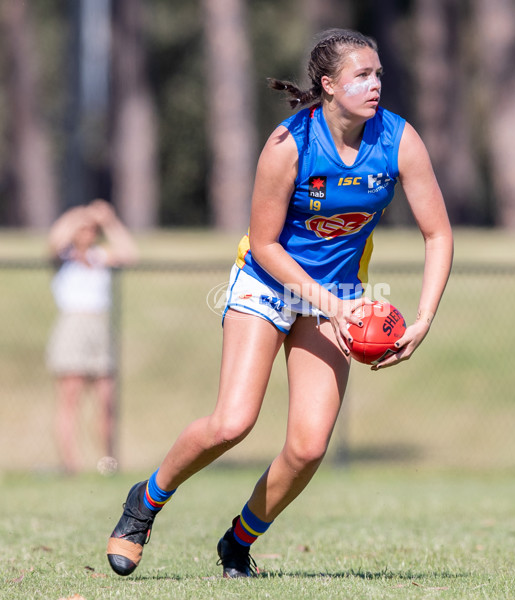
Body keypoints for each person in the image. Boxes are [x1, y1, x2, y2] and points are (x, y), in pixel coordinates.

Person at [106, 28, 453, 578]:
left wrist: (425, 318)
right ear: (328, 84)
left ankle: (237, 543)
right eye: (362, 75)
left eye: (379, 73)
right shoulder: (288, 144)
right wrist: (333, 307)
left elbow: (437, 234)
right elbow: (265, 245)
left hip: (337, 294)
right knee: (232, 423)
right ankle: (143, 505)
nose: (375, 84)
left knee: (309, 446)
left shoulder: (399, 140)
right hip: (267, 281)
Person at [46, 199, 138, 474]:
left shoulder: (100, 256)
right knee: (70, 399)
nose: (87, 232)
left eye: (91, 228)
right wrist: (80, 214)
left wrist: (108, 220)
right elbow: (55, 238)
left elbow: (130, 254)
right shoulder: (62, 258)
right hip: (73, 325)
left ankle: (107, 462)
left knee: (106, 399)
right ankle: (70, 464)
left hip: (100, 326)